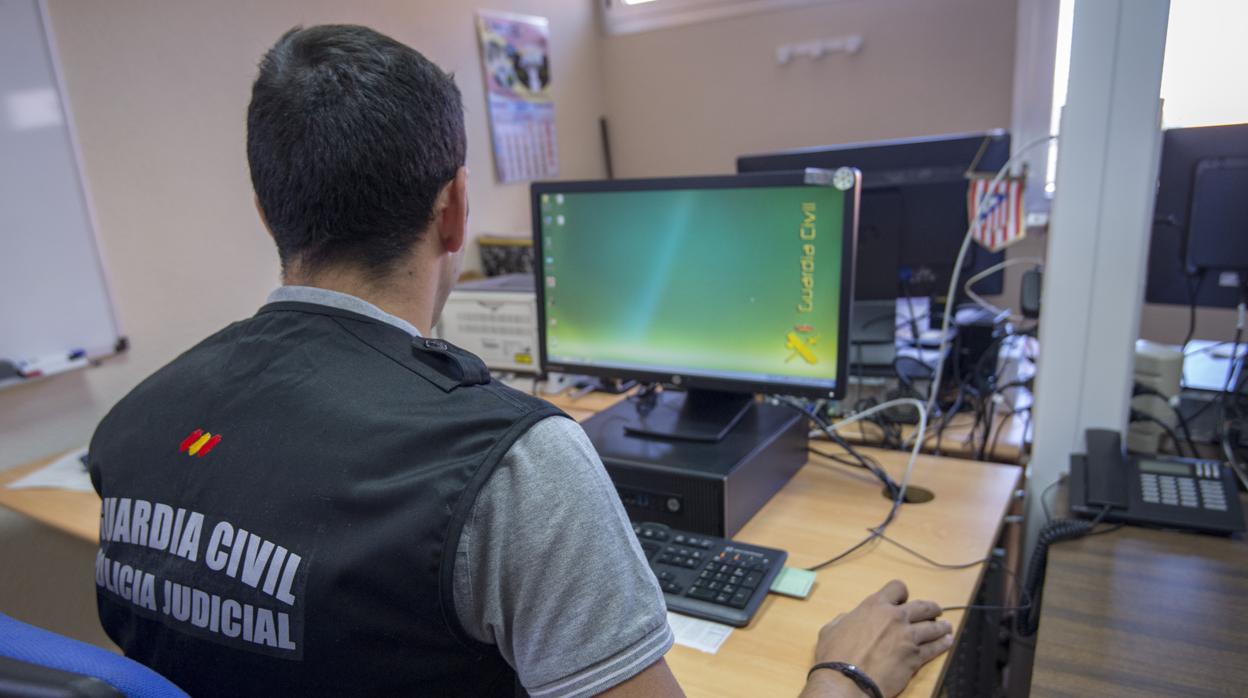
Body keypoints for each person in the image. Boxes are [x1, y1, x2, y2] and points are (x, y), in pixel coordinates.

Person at [88, 24, 953, 698]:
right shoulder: (515, 467)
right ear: (456, 209)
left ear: (265, 208)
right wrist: (845, 672)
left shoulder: (130, 425)